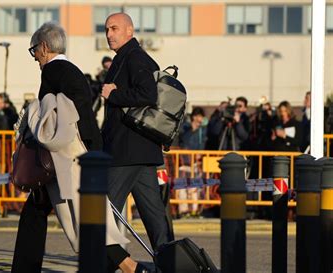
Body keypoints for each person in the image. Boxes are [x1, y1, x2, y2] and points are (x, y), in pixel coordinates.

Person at [12, 22, 149, 273]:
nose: (35, 58)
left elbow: (49, 119)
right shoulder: (72, 70)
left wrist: (31, 115)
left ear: (44, 47)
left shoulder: (53, 71)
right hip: (79, 154)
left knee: (85, 216)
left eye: (34, 51)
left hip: (65, 158)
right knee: (46, 213)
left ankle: (131, 267)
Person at [101, 13, 174, 272]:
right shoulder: (126, 57)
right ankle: (170, 265)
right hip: (138, 151)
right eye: (106, 29)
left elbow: (148, 93)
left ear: (129, 30)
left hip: (127, 152)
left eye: (114, 28)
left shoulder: (136, 57)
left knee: (100, 216)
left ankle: (124, 265)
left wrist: (114, 93)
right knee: (155, 219)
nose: (109, 34)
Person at [177, 107, 207, 218]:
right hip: (183, 162)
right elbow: (183, 140)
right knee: (182, 187)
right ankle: (183, 211)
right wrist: (192, 129)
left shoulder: (202, 130)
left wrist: (201, 153)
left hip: (195, 163)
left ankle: (194, 211)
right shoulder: (185, 126)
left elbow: (203, 142)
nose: (201, 119)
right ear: (194, 116)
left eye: (202, 117)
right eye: (199, 116)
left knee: (194, 188)